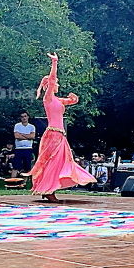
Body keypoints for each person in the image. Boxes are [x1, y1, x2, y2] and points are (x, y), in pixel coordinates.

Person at [26, 53, 94, 201]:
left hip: (60, 135)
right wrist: (55, 63)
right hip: (52, 134)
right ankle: (49, 190)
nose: (57, 84)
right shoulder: (48, 98)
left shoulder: (58, 100)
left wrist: (74, 99)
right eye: (56, 83)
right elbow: (51, 80)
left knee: (61, 161)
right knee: (53, 161)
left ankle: (49, 188)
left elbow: (70, 101)